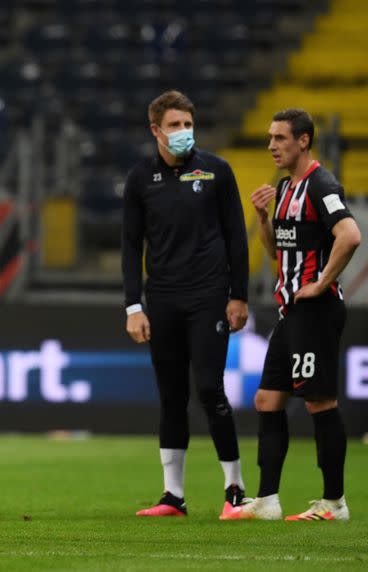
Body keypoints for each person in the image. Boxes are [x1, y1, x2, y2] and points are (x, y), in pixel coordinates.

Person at [223, 109, 360, 522]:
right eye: (269, 137)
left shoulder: (321, 184)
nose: (271, 145)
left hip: (315, 310)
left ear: (303, 141)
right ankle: (267, 500)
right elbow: (275, 253)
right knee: (268, 398)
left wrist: (320, 283)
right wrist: (263, 219)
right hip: (291, 311)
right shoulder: (285, 188)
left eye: (280, 138)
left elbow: (350, 235)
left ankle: (335, 503)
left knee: (319, 402)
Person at [121, 90, 250, 518]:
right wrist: (132, 306)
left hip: (209, 296)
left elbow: (236, 235)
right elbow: (129, 247)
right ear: (156, 130)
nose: (183, 132)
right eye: (175, 125)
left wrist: (239, 295)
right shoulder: (141, 178)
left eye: (188, 124)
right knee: (171, 396)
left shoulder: (217, 171)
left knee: (210, 389)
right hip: (162, 299)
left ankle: (235, 491)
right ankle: (173, 496)